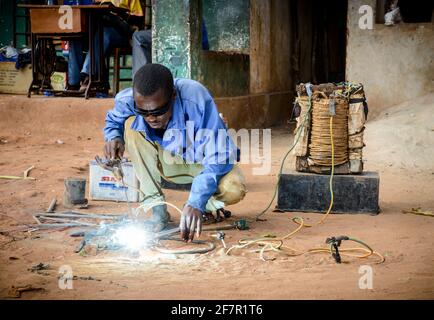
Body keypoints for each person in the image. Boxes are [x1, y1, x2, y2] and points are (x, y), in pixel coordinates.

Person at [103, 63, 246, 241]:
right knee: (131, 128)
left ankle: (205, 207)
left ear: (173, 96)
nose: (151, 118)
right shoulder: (131, 99)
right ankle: (157, 210)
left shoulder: (196, 99)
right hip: (166, 163)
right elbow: (113, 120)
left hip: (202, 164)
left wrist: (196, 202)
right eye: (144, 112)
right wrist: (114, 136)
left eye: (158, 111)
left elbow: (219, 157)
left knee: (234, 188)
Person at [67, 0, 143, 92]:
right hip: (96, 30)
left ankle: (89, 77)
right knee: (75, 37)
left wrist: (117, 12)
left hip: (121, 34)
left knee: (103, 35)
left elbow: (139, 20)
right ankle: (73, 82)